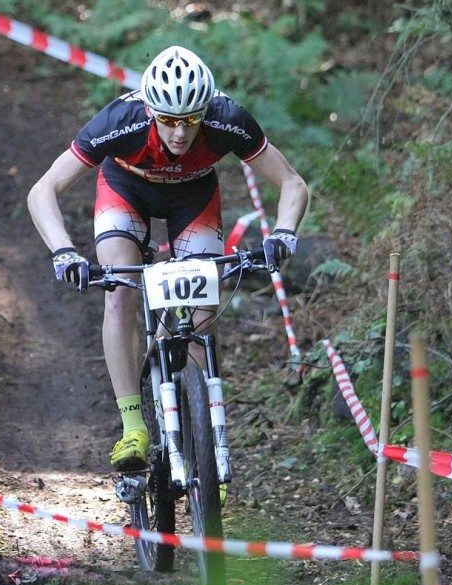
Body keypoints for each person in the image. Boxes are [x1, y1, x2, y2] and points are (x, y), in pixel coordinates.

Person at [27, 46, 308, 471]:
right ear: (149, 108)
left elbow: (292, 183)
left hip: (193, 198)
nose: (180, 132)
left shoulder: (226, 119)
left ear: (205, 110)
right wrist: (64, 251)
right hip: (127, 189)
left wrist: (284, 232)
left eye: (191, 119)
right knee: (119, 292)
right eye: (169, 120)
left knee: (202, 313)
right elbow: (42, 190)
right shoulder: (121, 121)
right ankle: (133, 427)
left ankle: (199, 432)